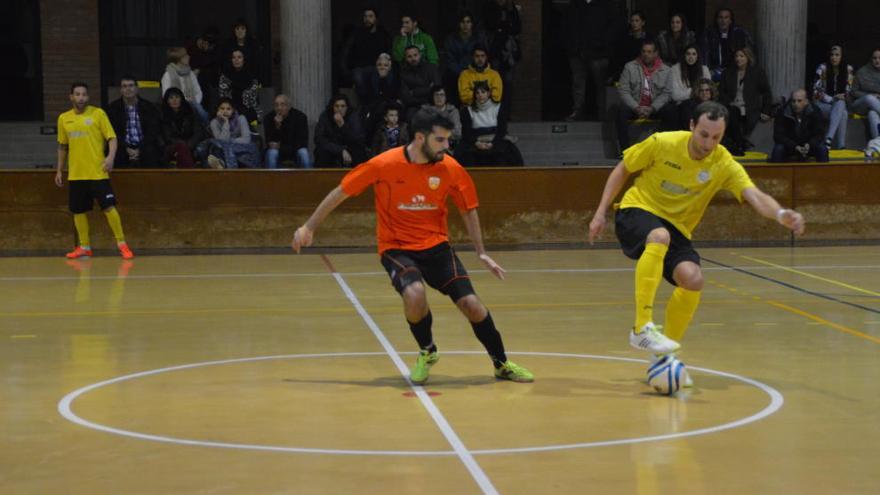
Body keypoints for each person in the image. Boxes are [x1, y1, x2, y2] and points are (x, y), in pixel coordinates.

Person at [292, 110, 533, 384]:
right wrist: (309, 227)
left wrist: (481, 252)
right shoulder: (383, 164)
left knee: (472, 305)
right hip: (397, 248)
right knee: (415, 293)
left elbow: (468, 209)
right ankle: (427, 351)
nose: (446, 146)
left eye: (448, 140)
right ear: (420, 138)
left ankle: (501, 364)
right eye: (440, 140)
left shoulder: (450, 168)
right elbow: (341, 192)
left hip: (437, 247)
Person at [588, 101, 805, 386]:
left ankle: (662, 355)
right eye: (704, 134)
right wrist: (600, 212)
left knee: (693, 279)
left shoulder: (723, 162)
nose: (708, 143)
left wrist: (779, 213)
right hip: (638, 210)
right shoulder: (662, 143)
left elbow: (753, 194)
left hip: (677, 228)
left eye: (716, 137)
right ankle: (641, 327)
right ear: (691, 126)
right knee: (659, 236)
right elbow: (622, 169)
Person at [55, 82, 135, 260]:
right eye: (77, 94)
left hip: (97, 172)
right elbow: (62, 146)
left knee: (109, 207)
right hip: (76, 174)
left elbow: (112, 138)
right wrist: (60, 170)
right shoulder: (63, 119)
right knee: (78, 211)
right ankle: (84, 246)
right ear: (71, 97)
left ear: (88, 97)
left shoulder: (98, 114)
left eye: (84, 94)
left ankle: (122, 244)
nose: (81, 97)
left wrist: (110, 157)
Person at [615, 39, 674, 153]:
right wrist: (636, 107)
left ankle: (665, 149)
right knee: (621, 112)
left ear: (656, 54)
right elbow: (623, 90)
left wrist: (652, 108)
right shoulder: (630, 67)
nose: (646, 54)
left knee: (671, 110)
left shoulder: (666, 70)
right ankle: (626, 152)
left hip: (654, 107)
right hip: (635, 106)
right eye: (644, 51)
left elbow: (667, 93)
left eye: (649, 52)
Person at [564, 0, 617, 121]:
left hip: (598, 52)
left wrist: (603, 43)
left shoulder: (605, 5)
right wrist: (571, 46)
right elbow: (567, 26)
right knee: (579, 84)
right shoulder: (574, 5)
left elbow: (613, 27)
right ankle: (578, 111)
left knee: (600, 85)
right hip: (578, 51)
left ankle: (602, 113)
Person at [718, 47, 772, 155]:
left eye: (741, 56)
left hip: (750, 108)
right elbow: (721, 93)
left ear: (748, 58)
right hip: (732, 107)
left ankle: (739, 143)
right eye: (736, 56)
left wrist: (766, 111)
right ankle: (741, 142)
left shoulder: (757, 72)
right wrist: (729, 102)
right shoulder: (727, 73)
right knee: (732, 112)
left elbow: (767, 92)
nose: (738, 59)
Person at [458, 80, 524, 166]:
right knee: (465, 153)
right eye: (477, 93)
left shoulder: (498, 107)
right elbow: (467, 132)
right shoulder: (468, 110)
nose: (480, 95)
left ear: (488, 93)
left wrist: (492, 143)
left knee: (505, 153)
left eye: (483, 92)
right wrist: (477, 143)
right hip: (475, 139)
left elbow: (502, 130)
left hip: (495, 139)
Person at [105, 76, 163, 168]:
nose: (128, 89)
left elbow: (153, 131)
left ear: (137, 89)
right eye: (124, 86)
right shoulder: (113, 108)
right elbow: (112, 132)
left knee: (153, 153)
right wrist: (127, 149)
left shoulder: (149, 107)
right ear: (121, 90)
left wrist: (140, 149)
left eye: (131, 85)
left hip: (145, 145)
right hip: (122, 146)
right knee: (115, 154)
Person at [812, 45, 854, 150]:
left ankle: (829, 140)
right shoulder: (822, 68)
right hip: (822, 105)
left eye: (837, 55)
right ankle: (840, 145)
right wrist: (832, 99)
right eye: (831, 55)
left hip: (840, 105)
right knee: (841, 110)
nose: (833, 57)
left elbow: (850, 91)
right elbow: (815, 91)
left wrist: (841, 97)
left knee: (841, 108)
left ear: (842, 56)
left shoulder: (848, 69)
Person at [770, 89, 829, 163]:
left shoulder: (815, 111)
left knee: (822, 149)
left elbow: (820, 134)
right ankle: (776, 173)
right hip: (790, 146)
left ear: (806, 101)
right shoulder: (783, 112)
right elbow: (778, 136)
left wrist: (809, 144)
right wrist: (795, 146)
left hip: (809, 146)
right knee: (778, 149)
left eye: (799, 101)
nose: (796, 104)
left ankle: (824, 173)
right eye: (793, 101)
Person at [341, 7, 391, 92]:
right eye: (365, 16)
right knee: (359, 79)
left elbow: (389, 52)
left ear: (376, 19)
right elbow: (346, 51)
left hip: (377, 67)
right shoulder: (356, 33)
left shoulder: (382, 34)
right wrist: (345, 69)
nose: (367, 19)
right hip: (359, 68)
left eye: (370, 16)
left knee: (378, 80)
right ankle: (366, 104)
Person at [443, 11, 487, 105]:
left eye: (468, 22)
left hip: (475, 71)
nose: (465, 25)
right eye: (463, 22)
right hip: (456, 73)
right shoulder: (450, 39)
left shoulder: (479, 38)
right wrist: (462, 73)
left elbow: (483, 56)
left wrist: (472, 71)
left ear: (472, 24)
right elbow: (449, 60)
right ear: (459, 24)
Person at [699, 8, 754, 81]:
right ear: (716, 20)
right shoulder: (708, 33)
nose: (723, 21)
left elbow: (748, 54)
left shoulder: (739, 33)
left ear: (730, 20)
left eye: (726, 17)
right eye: (720, 17)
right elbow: (704, 55)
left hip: (734, 71)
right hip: (713, 71)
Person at [664, 45, 711, 130]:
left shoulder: (704, 69)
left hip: (699, 103)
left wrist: (688, 93)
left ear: (698, 56)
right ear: (684, 56)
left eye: (694, 54)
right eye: (688, 54)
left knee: (689, 106)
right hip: (680, 104)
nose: (691, 57)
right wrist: (695, 91)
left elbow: (708, 92)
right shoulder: (675, 69)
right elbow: (675, 95)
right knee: (678, 108)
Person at [356, 53, 401, 140]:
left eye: (386, 65)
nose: (382, 67)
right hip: (371, 106)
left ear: (390, 67)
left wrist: (383, 79)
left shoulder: (395, 77)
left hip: (389, 105)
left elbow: (391, 95)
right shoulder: (369, 77)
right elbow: (367, 96)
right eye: (379, 65)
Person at [314, 94, 367, 168]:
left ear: (347, 107)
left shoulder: (353, 117)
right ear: (332, 107)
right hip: (333, 148)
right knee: (321, 151)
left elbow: (358, 140)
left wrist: (342, 126)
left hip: (350, 148)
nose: (339, 109)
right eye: (337, 106)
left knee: (359, 151)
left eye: (343, 106)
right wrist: (340, 150)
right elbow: (319, 139)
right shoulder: (325, 116)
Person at [204, 98, 259, 169]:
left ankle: (223, 164)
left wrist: (230, 141)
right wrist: (226, 122)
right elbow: (221, 142)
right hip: (224, 150)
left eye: (228, 109)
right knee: (219, 147)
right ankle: (223, 165)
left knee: (230, 148)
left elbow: (246, 139)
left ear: (233, 110)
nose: (225, 111)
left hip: (241, 149)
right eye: (222, 108)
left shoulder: (241, 118)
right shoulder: (214, 123)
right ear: (218, 109)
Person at [159, 87, 205, 169]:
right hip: (170, 146)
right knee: (181, 147)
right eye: (171, 98)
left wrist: (188, 145)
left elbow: (198, 132)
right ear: (167, 101)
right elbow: (166, 136)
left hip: (190, 145)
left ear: (181, 99)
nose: (174, 100)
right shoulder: (163, 114)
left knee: (183, 151)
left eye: (177, 97)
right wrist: (181, 145)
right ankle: (192, 173)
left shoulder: (191, 111)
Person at [161, 47, 209, 123]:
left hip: (192, 103)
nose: (189, 57)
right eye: (185, 56)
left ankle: (208, 127)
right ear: (179, 59)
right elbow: (166, 95)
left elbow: (198, 91)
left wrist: (195, 102)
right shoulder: (168, 75)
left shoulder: (190, 73)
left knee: (201, 110)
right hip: (176, 104)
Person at [263, 94, 311, 169]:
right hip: (279, 152)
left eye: (282, 105)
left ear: (289, 107)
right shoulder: (268, 118)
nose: (279, 108)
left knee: (303, 152)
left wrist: (281, 147)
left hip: (295, 150)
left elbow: (302, 142)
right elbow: (269, 142)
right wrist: (277, 127)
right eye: (276, 105)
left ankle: (310, 179)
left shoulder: (300, 117)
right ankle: (270, 180)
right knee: (272, 153)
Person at [218, 49, 261, 124]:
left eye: (239, 57)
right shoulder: (225, 77)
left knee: (244, 117)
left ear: (244, 59)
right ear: (231, 60)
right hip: (229, 109)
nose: (236, 60)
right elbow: (223, 96)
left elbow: (252, 98)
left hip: (247, 109)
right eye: (233, 57)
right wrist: (230, 110)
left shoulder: (252, 77)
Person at [399, 45, 442, 120]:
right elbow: (406, 98)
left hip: (432, 104)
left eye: (415, 55)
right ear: (405, 58)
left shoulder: (432, 68)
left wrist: (415, 92)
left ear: (420, 55)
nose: (413, 58)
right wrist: (428, 89)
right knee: (410, 116)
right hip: (414, 107)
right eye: (409, 56)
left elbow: (437, 90)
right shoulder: (403, 74)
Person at [852, 48, 880, 140]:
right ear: (871, 59)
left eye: (879, 58)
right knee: (870, 98)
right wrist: (870, 95)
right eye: (874, 58)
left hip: (876, 107)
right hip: (860, 105)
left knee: (872, 114)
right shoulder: (862, 72)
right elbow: (853, 91)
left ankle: (878, 144)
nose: (877, 60)